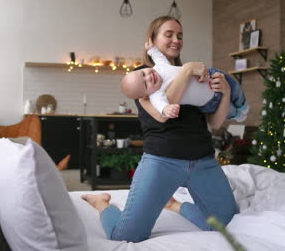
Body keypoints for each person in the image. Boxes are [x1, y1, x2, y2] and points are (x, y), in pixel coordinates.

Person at [81, 16, 239, 243]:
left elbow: (214, 123)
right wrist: (185, 71)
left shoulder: (193, 75)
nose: (176, 40)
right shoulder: (143, 77)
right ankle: (101, 203)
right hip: (162, 161)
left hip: (203, 161)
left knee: (228, 224)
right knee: (126, 235)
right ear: (153, 39)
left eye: (180, 35)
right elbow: (163, 114)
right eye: (169, 34)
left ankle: (175, 205)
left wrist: (225, 93)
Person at [121, 41, 249, 121]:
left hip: (211, 76)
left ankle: (243, 105)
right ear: (145, 95)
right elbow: (161, 107)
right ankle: (239, 115)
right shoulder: (156, 95)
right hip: (210, 101)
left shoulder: (159, 66)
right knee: (230, 110)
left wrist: (151, 49)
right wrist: (167, 109)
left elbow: (157, 56)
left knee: (234, 86)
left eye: (143, 73)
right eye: (145, 84)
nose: (148, 77)